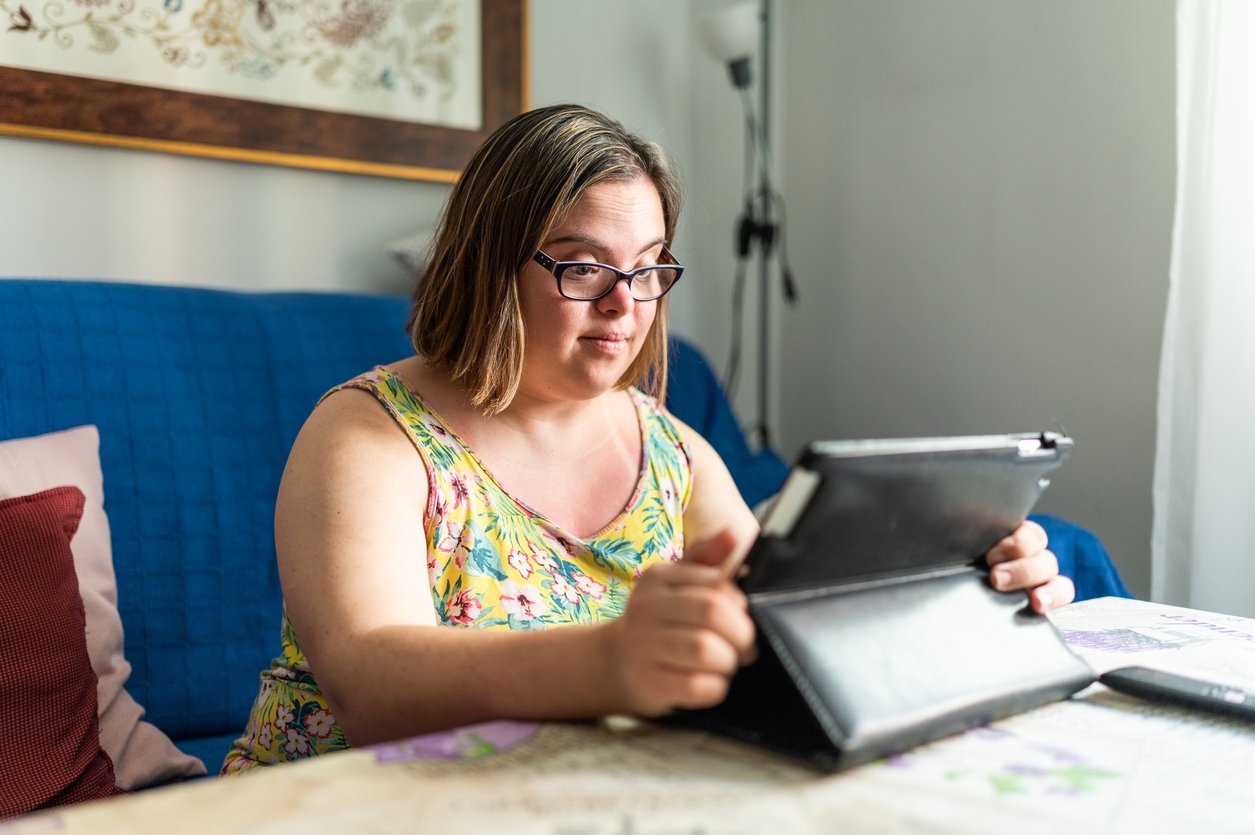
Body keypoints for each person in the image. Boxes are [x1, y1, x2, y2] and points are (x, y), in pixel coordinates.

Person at [221, 104, 1073, 772]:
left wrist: (962, 583)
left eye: (648, 267)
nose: (625, 304)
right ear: (489, 264)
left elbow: (782, 622)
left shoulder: (670, 450)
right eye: (584, 266)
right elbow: (371, 684)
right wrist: (605, 662)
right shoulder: (368, 435)